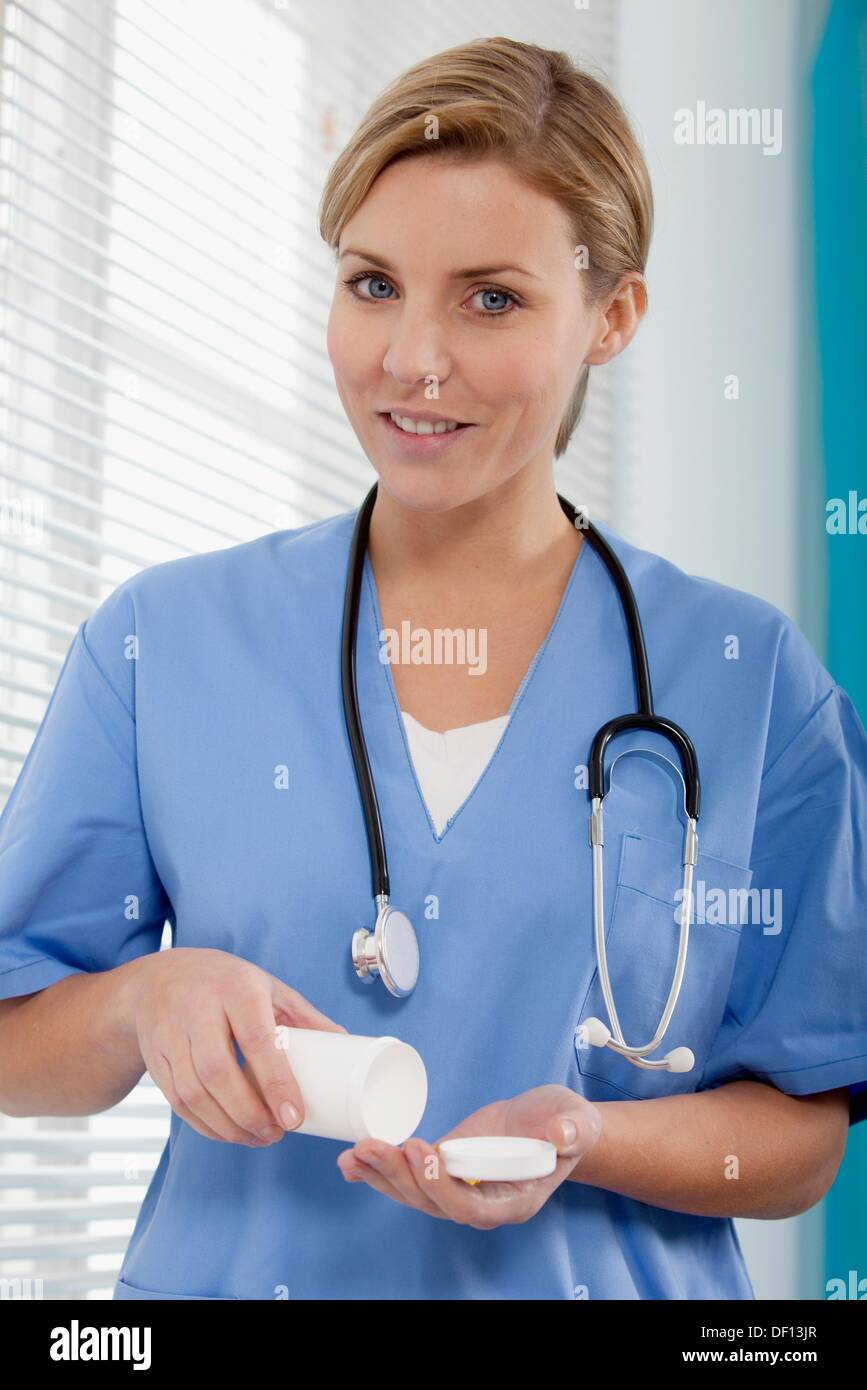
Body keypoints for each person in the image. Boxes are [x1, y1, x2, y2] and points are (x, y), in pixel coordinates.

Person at [1, 36, 865, 1302]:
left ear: (612, 316)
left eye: (492, 298)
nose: (413, 357)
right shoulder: (160, 644)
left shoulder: (747, 682)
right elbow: (18, 1041)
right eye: (372, 283)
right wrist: (145, 998)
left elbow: (801, 1137)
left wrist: (589, 1139)